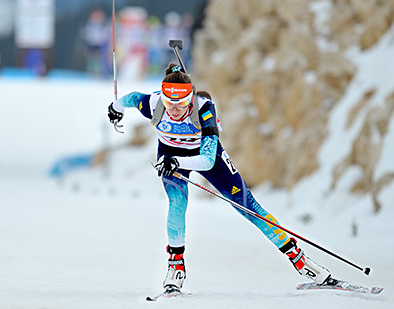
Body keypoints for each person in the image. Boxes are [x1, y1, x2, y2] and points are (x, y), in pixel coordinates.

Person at [106, 63, 334, 294]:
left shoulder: (204, 109)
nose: (174, 110)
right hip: (171, 156)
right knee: (177, 204)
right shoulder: (153, 103)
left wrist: (176, 162)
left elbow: (207, 161)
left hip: (204, 156)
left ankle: (304, 263)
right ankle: (175, 268)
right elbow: (132, 98)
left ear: (190, 99)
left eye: (181, 104)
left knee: (249, 207)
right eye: (169, 103)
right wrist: (116, 107)